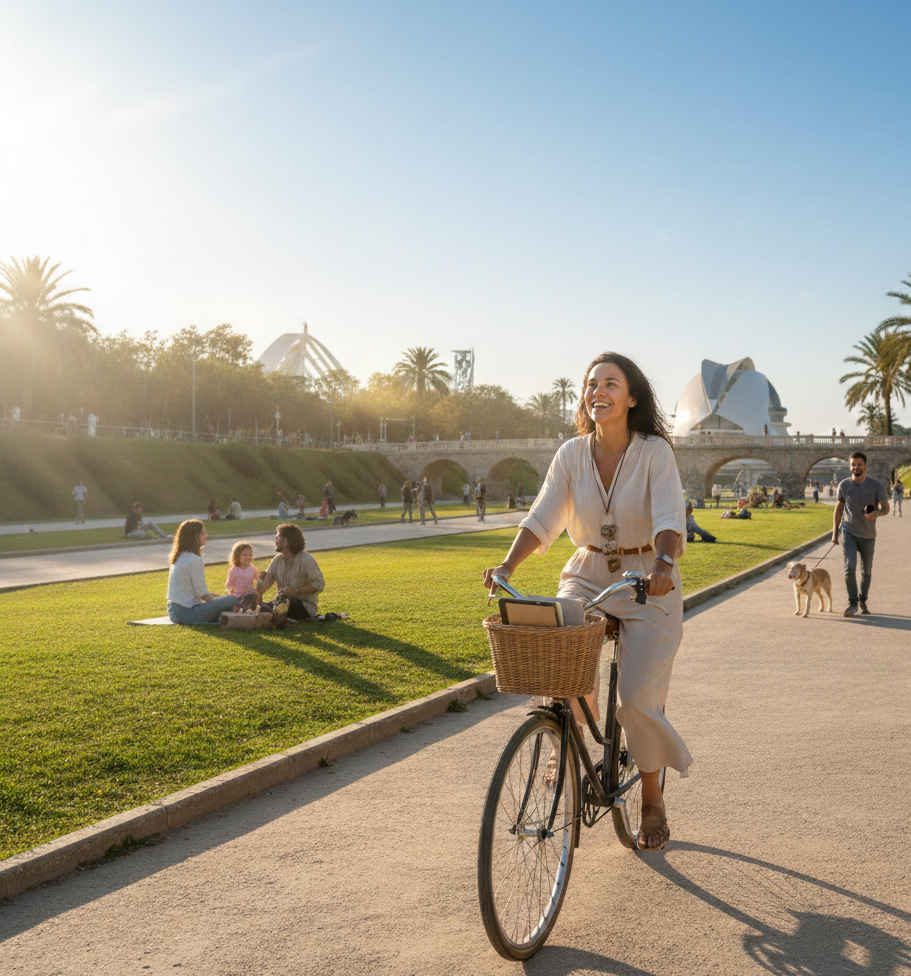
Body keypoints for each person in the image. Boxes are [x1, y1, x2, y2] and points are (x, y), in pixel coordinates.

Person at [482, 352, 692, 851]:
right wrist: (507, 567)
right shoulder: (572, 454)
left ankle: (649, 795)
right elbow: (543, 518)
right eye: (591, 383)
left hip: (647, 578)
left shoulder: (655, 452)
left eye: (610, 383)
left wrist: (663, 566)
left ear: (631, 397)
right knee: (562, 658)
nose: (598, 391)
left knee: (637, 700)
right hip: (588, 570)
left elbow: (669, 518)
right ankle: (566, 733)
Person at [833, 452, 889, 616]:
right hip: (849, 531)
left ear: (865, 466)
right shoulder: (844, 485)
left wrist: (876, 514)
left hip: (868, 534)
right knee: (849, 567)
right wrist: (835, 533)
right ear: (850, 466)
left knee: (866, 571)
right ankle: (852, 603)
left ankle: (863, 600)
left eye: (859, 464)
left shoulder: (875, 485)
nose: (856, 467)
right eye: (853, 464)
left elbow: (886, 508)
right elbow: (839, 510)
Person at [166, 520, 238, 623]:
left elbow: (195, 591)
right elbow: (202, 593)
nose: (206, 535)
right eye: (203, 533)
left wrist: (215, 599)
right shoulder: (194, 559)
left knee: (221, 599)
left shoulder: (180, 556)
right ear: (196, 536)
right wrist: (217, 603)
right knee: (232, 600)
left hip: (174, 612)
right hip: (186, 613)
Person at [256, 522, 325, 620]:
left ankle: (273, 615)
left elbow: (319, 584)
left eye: (277, 537)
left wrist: (296, 591)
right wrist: (259, 590)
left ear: (286, 542)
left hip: (304, 607)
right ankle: (271, 614)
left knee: (285, 601)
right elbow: (266, 583)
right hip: (280, 602)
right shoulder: (277, 560)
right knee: (261, 607)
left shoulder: (306, 559)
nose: (275, 540)